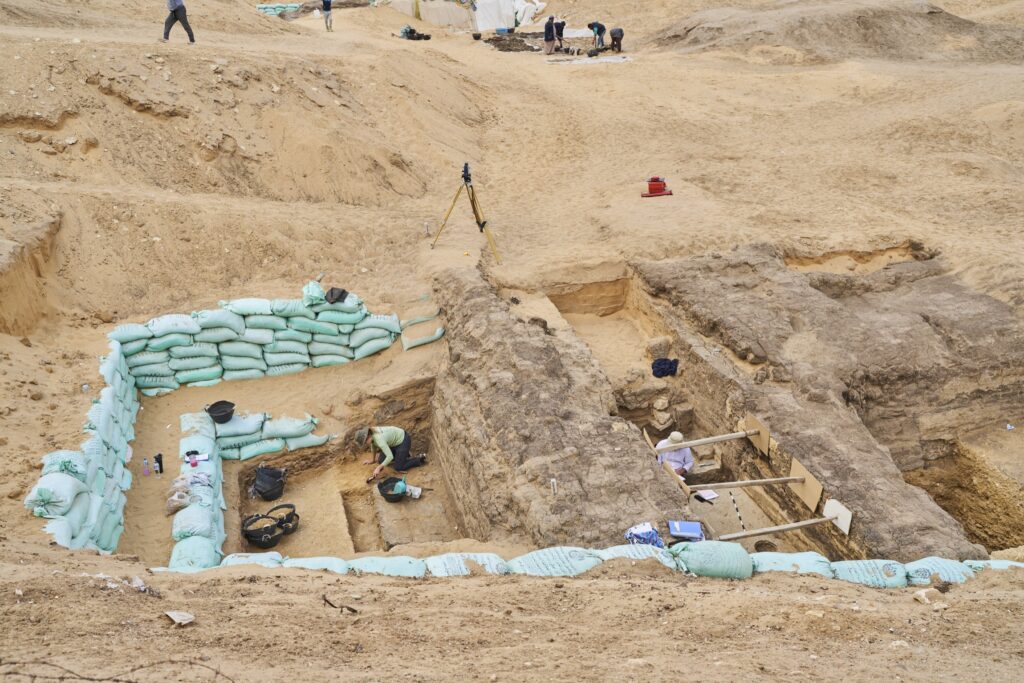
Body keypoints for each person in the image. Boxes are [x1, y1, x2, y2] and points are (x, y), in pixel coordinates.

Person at [355, 426, 426, 481]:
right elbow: (373, 446)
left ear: (368, 437)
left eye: (364, 442)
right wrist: (372, 460)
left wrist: (379, 467)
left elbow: (390, 456)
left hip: (403, 440)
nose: (365, 444)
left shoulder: (379, 439)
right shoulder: (372, 434)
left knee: (398, 467)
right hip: (393, 443)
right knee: (381, 461)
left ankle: (418, 459)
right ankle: (402, 455)